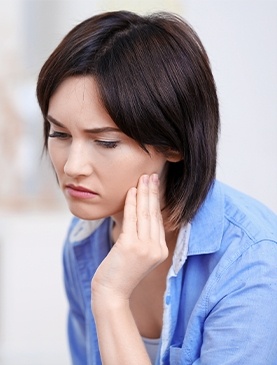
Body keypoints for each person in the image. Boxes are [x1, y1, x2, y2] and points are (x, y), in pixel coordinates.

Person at [36, 10, 277, 365]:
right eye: (59, 133)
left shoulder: (251, 259)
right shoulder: (84, 238)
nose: (72, 166)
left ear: (174, 145)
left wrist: (111, 296)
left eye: (105, 142)